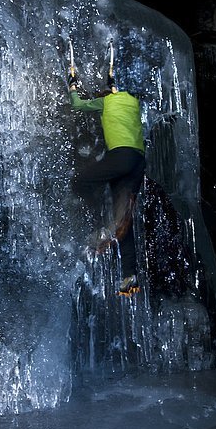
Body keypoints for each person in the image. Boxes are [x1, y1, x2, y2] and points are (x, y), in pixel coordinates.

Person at [68, 72, 145, 295]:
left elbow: (78, 105)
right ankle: (129, 277)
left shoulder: (106, 101)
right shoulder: (132, 101)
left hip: (120, 157)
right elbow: (116, 92)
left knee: (79, 182)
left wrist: (73, 86)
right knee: (124, 220)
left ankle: (99, 224)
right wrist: (113, 84)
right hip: (138, 161)